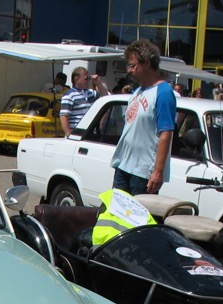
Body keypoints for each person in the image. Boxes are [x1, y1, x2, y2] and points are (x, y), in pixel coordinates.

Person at [109, 39, 176, 196]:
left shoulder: (164, 92)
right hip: (124, 166)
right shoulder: (137, 91)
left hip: (143, 171)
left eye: (132, 66)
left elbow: (166, 133)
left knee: (139, 220)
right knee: (117, 216)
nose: (129, 70)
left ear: (146, 63)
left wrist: (158, 172)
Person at [60, 66, 105, 136]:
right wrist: (69, 134)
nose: (88, 81)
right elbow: (64, 117)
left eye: (89, 78)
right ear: (76, 78)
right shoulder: (69, 95)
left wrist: (99, 84)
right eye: (86, 78)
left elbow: (105, 97)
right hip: (76, 134)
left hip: (90, 134)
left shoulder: (91, 93)